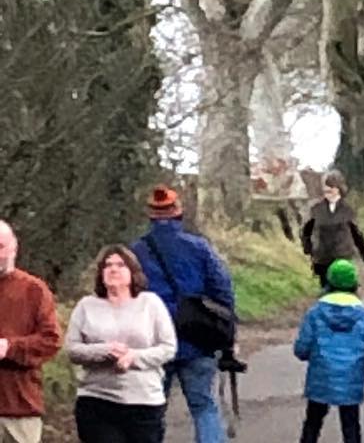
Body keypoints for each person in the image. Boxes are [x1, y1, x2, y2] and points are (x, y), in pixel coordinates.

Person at [131, 185, 234, 443]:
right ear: (178, 212)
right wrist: (228, 332)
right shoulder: (199, 247)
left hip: (152, 341)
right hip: (197, 337)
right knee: (203, 407)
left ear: (150, 215)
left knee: (153, 410)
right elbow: (223, 290)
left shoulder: (136, 252)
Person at [65, 245, 177, 443]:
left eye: (120, 265)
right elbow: (73, 349)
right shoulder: (86, 306)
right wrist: (105, 351)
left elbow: (168, 347)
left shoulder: (150, 304)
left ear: (133, 272)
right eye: (107, 266)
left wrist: (133, 357)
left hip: (144, 402)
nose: (113, 269)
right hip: (97, 400)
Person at [293, 259, 364, 443]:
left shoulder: (315, 313)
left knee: (313, 422)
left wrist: (312, 357)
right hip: (351, 377)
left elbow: (302, 348)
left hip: (321, 376)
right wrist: (361, 363)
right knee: (351, 424)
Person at [0, 220, 62, 443]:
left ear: (14, 247)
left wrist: (10, 347)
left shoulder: (33, 290)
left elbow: (51, 341)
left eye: (0, 246)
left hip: (19, 409)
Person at [301, 173, 364, 287]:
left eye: (330, 190)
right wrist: (309, 250)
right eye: (325, 191)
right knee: (326, 292)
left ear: (338, 189)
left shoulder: (347, 209)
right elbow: (306, 232)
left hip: (342, 256)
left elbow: (356, 233)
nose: (327, 193)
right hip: (323, 258)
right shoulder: (316, 209)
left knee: (344, 289)